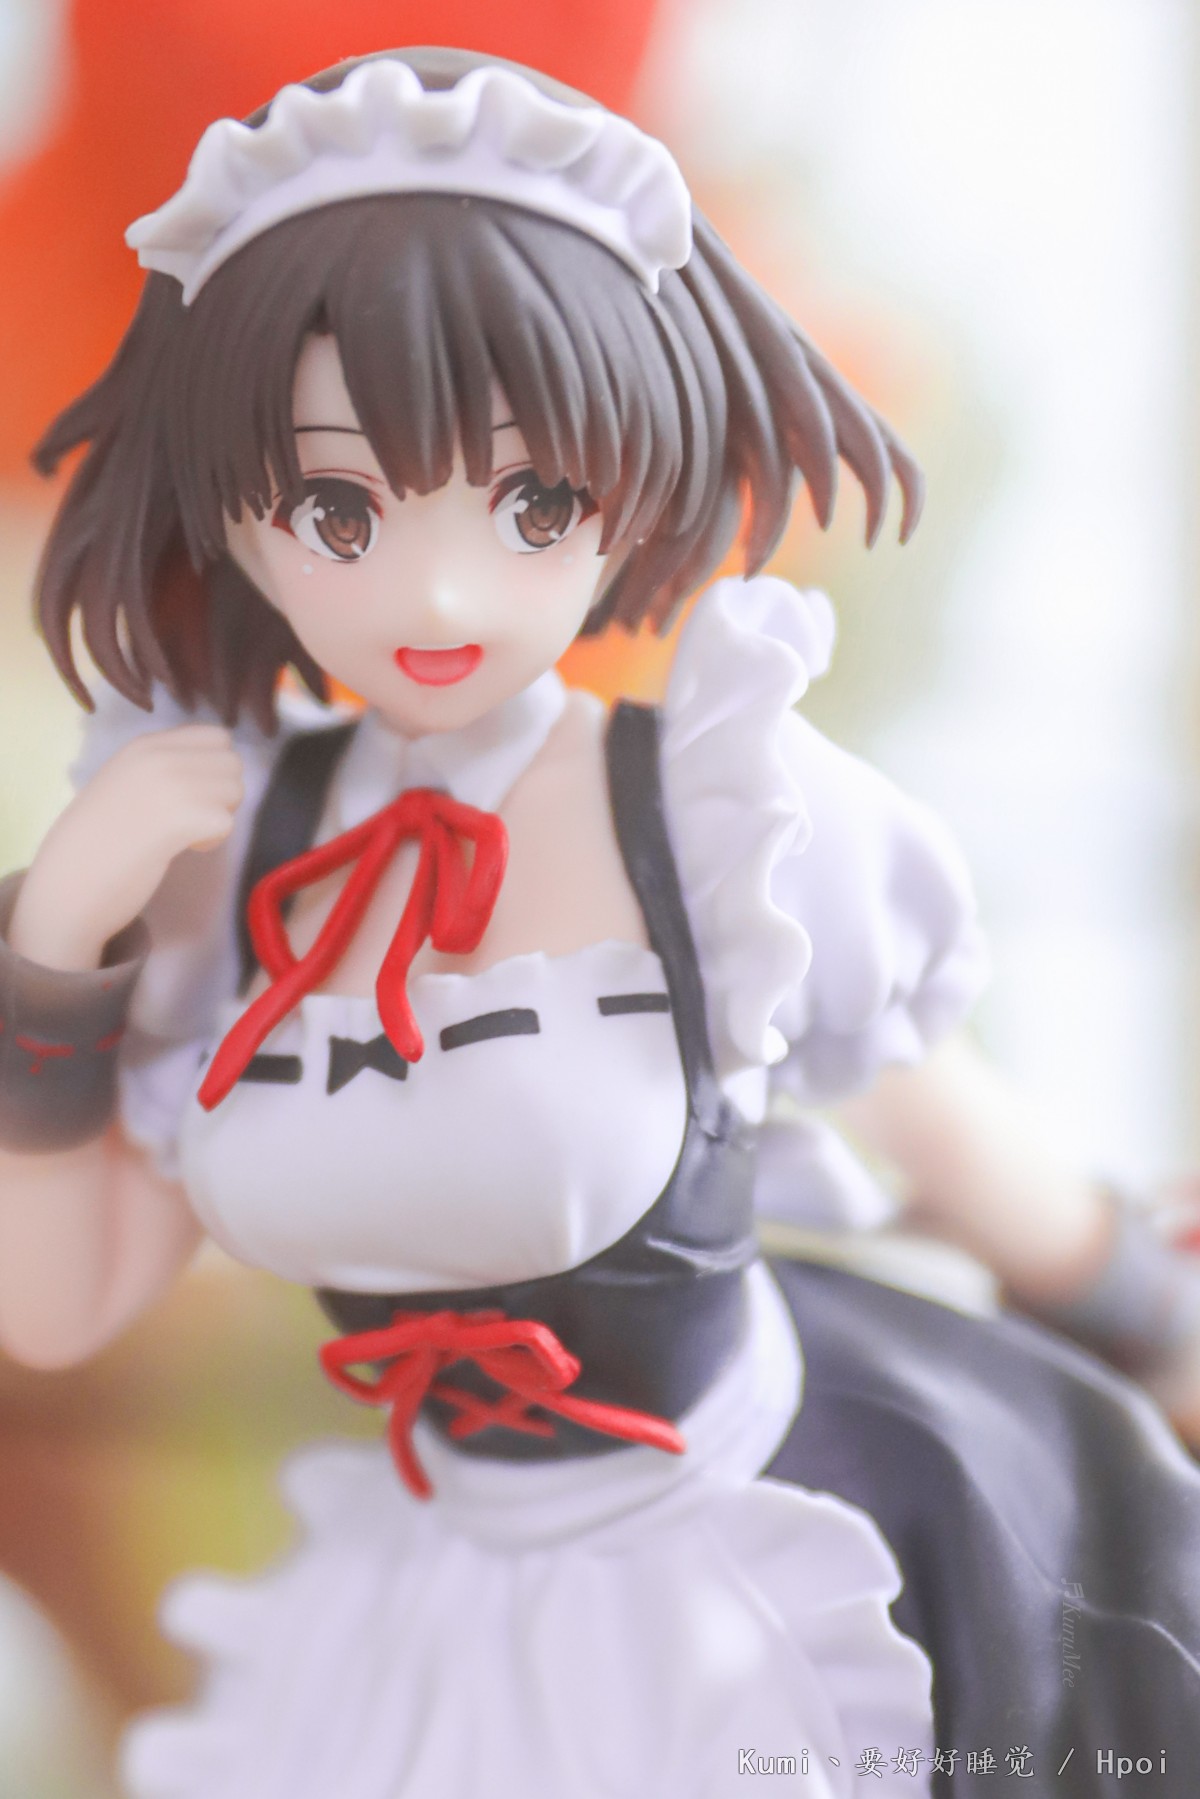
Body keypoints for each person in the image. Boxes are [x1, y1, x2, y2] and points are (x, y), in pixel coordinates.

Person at [1, 46, 1198, 1799]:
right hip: (421, 1613)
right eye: (337, 509)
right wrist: (58, 952)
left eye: (532, 502)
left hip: (744, 1564)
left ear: (630, 484)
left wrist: (1146, 1307)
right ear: (231, 512)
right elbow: (57, 1305)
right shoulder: (221, 851)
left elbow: (935, 1127)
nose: (436, 588)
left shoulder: (718, 801)